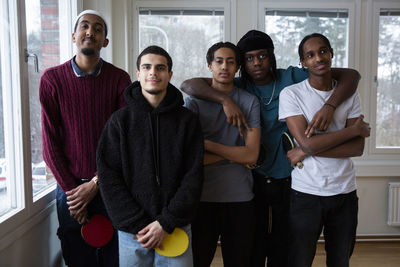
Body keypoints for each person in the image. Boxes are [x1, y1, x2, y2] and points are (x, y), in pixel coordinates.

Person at [180, 30, 360, 267]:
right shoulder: (238, 84)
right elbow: (188, 85)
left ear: (272, 56)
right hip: (253, 176)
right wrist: (225, 100)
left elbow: (351, 76)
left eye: (263, 55)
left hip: (289, 177)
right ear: (242, 63)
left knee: (283, 246)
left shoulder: (291, 77)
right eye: (250, 58)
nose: (257, 62)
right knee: (253, 246)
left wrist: (330, 106)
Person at [96, 45, 204, 267]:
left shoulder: (187, 121)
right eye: (147, 67)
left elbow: (193, 176)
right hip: (132, 232)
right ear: (138, 74)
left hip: (175, 227)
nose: (153, 72)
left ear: (170, 74)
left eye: (160, 68)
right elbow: (109, 177)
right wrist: (139, 224)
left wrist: (165, 222)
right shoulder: (119, 121)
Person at [39, 9, 131, 266]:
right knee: (78, 257)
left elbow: (124, 140)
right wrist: (73, 194)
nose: (91, 32)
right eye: (85, 26)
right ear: (73, 35)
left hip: (111, 185)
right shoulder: (51, 80)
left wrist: (96, 183)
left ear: (105, 42)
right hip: (70, 189)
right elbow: (50, 144)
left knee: (114, 257)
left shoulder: (119, 79)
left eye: (98, 29)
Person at [279, 33, 370, 267]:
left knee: (340, 260)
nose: (318, 58)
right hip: (306, 193)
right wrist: (352, 131)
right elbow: (309, 142)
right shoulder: (292, 94)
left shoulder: (350, 94)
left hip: (344, 192)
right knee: (299, 260)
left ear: (331, 54)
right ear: (303, 63)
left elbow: (358, 148)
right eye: (310, 55)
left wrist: (305, 150)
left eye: (323, 51)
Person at [184, 42, 261, 267]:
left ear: (237, 67)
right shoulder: (194, 103)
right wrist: (235, 155)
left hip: (240, 198)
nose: (224, 66)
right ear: (209, 65)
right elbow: (191, 159)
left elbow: (252, 156)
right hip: (201, 197)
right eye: (219, 61)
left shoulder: (249, 101)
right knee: (198, 261)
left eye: (230, 61)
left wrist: (206, 144)